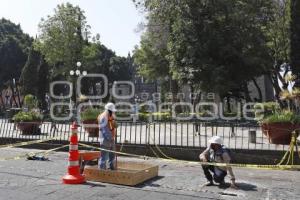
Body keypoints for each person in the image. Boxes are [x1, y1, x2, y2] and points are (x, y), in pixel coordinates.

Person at [98, 102, 117, 170]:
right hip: (105, 139)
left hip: (111, 138)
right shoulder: (103, 117)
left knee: (112, 155)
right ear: (108, 110)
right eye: (112, 111)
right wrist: (110, 137)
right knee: (104, 156)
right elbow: (104, 129)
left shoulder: (110, 116)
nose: (113, 112)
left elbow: (112, 125)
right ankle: (101, 170)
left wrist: (115, 124)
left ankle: (111, 167)